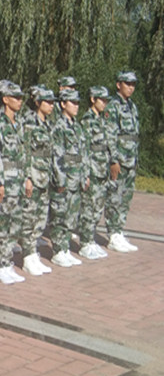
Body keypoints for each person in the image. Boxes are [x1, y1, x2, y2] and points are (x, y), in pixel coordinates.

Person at [0, 81, 28, 285]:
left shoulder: (18, 123)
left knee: (15, 225)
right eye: (16, 97)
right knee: (0, 226)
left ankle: (7, 261)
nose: (20, 101)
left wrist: (26, 178)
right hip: (5, 182)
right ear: (5, 99)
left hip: (17, 183)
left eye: (21, 98)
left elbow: (23, 153)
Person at [49, 89, 89, 267]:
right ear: (63, 104)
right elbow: (57, 155)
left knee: (71, 215)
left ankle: (65, 248)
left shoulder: (77, 127)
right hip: (65, 179)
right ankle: (58, 250)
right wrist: (60, 180)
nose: (76, 106)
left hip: (76, 178)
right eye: (73, 103)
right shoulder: (58, 127)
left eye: (78, 103)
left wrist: (85, 174)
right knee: (60, 215)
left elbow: (83, 153)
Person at [19, 86, 56, 276]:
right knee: (29, 217)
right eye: (47, 102)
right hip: (32, 176)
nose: (51, 105)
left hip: (44, 177)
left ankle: (33, 253)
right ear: (37, 103)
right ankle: (27, 255)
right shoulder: (29, 122)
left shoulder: (48, 125)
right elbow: (25, 151)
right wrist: (26, 177)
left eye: (52, 102)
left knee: (40, 218)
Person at [105, 71, 140, 253]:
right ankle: (113, 234)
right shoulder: (113, 106)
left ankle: (119, 230)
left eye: (133, 84)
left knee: (126, 198)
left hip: (131, 160)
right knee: (115, 197)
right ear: (119, 85)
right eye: (127, 84)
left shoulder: (132, 106)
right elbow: (110, 135)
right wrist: (114, 160)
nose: (131, 88)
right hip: (119, 159)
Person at [78, 86, 112, 260]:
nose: (104, 103)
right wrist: (86, 173)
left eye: (106, 100)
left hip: (102, 170)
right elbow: (84, 149)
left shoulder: (102, 120)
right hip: (92, 170)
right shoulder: (87, 120)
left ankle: (91, 239)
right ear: (93, 99)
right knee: (88, 208)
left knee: (98, 208)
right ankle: (85, 242)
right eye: (102, 99)